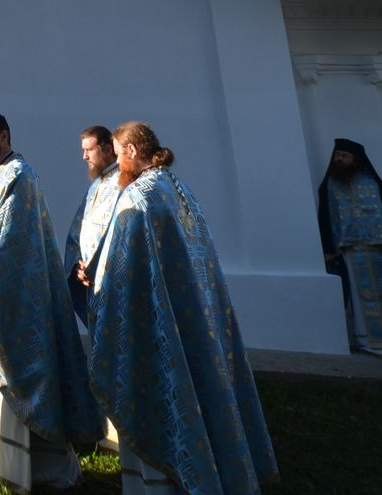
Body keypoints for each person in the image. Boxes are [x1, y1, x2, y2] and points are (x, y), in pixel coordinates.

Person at [88, 121, 277, 495]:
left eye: (116, 149)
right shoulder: (176, 187)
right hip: (192, 319)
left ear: (129, 152)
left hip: (153, 322)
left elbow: (121, 271)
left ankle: (160, 483)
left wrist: (95, 286)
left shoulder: (138, 197)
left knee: (161, 397)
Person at [0, 112, 100, 492]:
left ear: (5, 135)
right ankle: (7, 464)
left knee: (26, 376)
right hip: (12, 293)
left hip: (21, 301)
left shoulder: (19, 175)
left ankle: (37, 469)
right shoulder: (4, 174)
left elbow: (6, 240)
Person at [316, 137, 382, 359]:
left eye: (344, 156)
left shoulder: (372, 182)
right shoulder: (329, 184)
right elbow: (325, 218)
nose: (339, 159)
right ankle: (370, 341)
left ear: (356, 160)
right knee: (362, 298)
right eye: (337, 155)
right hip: (350, 250)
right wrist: (328, 249)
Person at [64, 125, 117, 328]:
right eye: (83, 151)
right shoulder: (98, 184)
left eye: (89, 150)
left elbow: (113, 232)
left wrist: (95, 265)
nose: (84, 157)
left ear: (107, 149)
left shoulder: (122, 184)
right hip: (87, 274)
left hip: (106, 276)